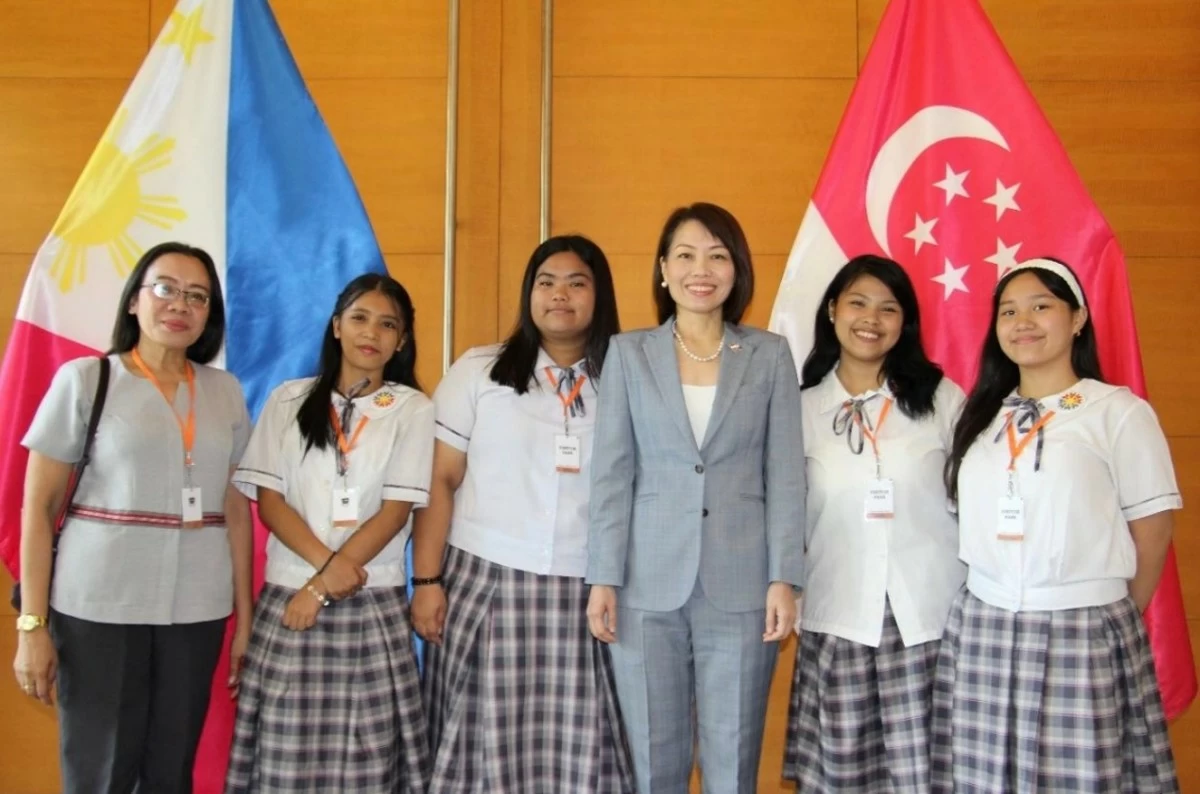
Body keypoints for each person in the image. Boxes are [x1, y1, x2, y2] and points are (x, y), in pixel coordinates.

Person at [12, 241, 253, 793]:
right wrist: (32, 627)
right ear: (134, 302)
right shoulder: (87, 380)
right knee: (103, 773)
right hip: (98, 608)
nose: (181, 305)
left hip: (196, 610)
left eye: (198, 296)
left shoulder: (225, 391)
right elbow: (38, 508)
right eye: (166, 288)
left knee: (172, 773)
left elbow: (236, 508)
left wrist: (245, 619)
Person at [932, 258, 1180, 792]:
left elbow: (1154, 529)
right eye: (1009, 311)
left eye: (1041, 306)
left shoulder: (1117, 412)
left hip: (1081, 630)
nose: (1023, 322)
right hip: (983, 626)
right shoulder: (979, 417)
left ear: (1077, 319)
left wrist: (1108, 617)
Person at [586, 202, 805, 794]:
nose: (700, 269)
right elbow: (611, 474)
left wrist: (785, 576)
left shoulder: (769, 355)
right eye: (684, 255)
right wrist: (602, 578)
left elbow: (785, 473)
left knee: (734, 757)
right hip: (643, 585)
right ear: (662, 269)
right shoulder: (629, 355)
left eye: (717, 254)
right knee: (655, 755)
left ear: (736, 271)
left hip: (742, 584)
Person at [411, 234, 632, 793]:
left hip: (590, 592)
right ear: (529, 295)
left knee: (587, 753)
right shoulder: (480, 371)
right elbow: (441, 479)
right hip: (487, 583)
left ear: (599, 296)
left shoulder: (631, 380)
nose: (560, 295)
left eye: (576, 283)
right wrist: (428, 580)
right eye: (546, 282)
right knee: (478, 752)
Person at [225, 273, 434, 793]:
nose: (372, 332)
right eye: (360, 317)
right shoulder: (288, 400)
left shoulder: (413, 408)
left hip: (372, 601)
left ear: (402, 340)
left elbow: (396, 511)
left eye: (389, 324)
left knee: (365, 760)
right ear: (336, 326)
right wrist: (325, 571)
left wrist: (325, 585)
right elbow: (270, 503)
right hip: (290, 598)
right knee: (284, 758)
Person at [782, 254, 965, 793]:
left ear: (904, 324)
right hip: (839, 619)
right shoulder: (799, 408)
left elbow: (973, 501)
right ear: (833, 309)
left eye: (889, 308)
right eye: (859, 302)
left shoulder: (940, 399)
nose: (872, 318)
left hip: (928, 621)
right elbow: (782, 517)